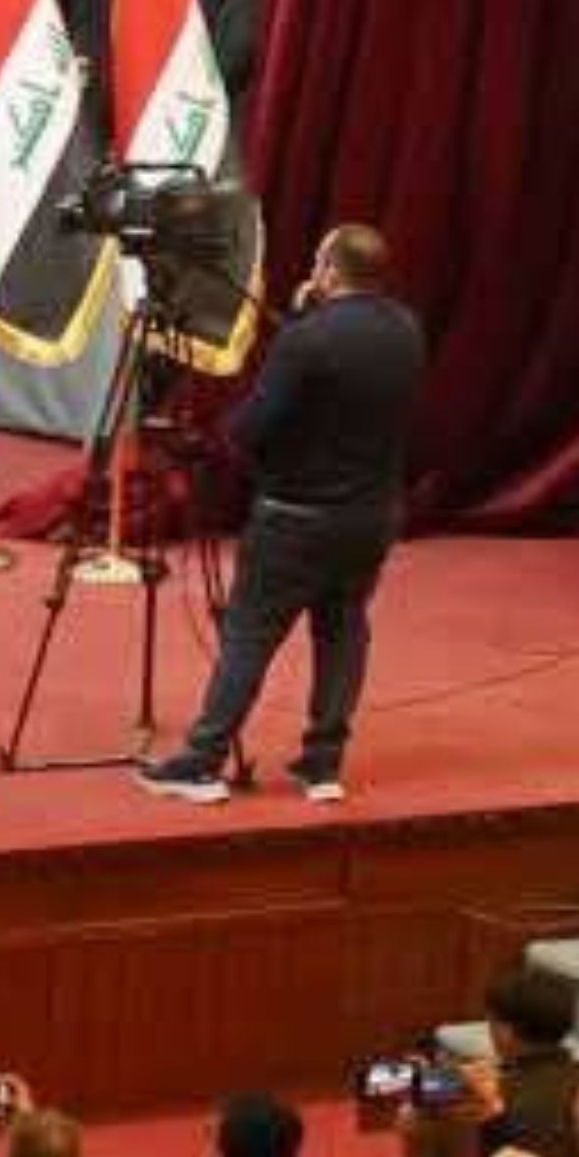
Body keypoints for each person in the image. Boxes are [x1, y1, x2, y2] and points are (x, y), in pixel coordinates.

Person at [144, 222, 428, 804]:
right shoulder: (406, 329)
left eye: (319, 262)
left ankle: (202, 761)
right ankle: (322, 765)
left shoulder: (307, 339)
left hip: (296, 517)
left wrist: (216, 439)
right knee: (343, 630)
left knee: (249, 634)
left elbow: (255, 426)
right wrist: (304, 320)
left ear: (329, 271)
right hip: (371, 515)